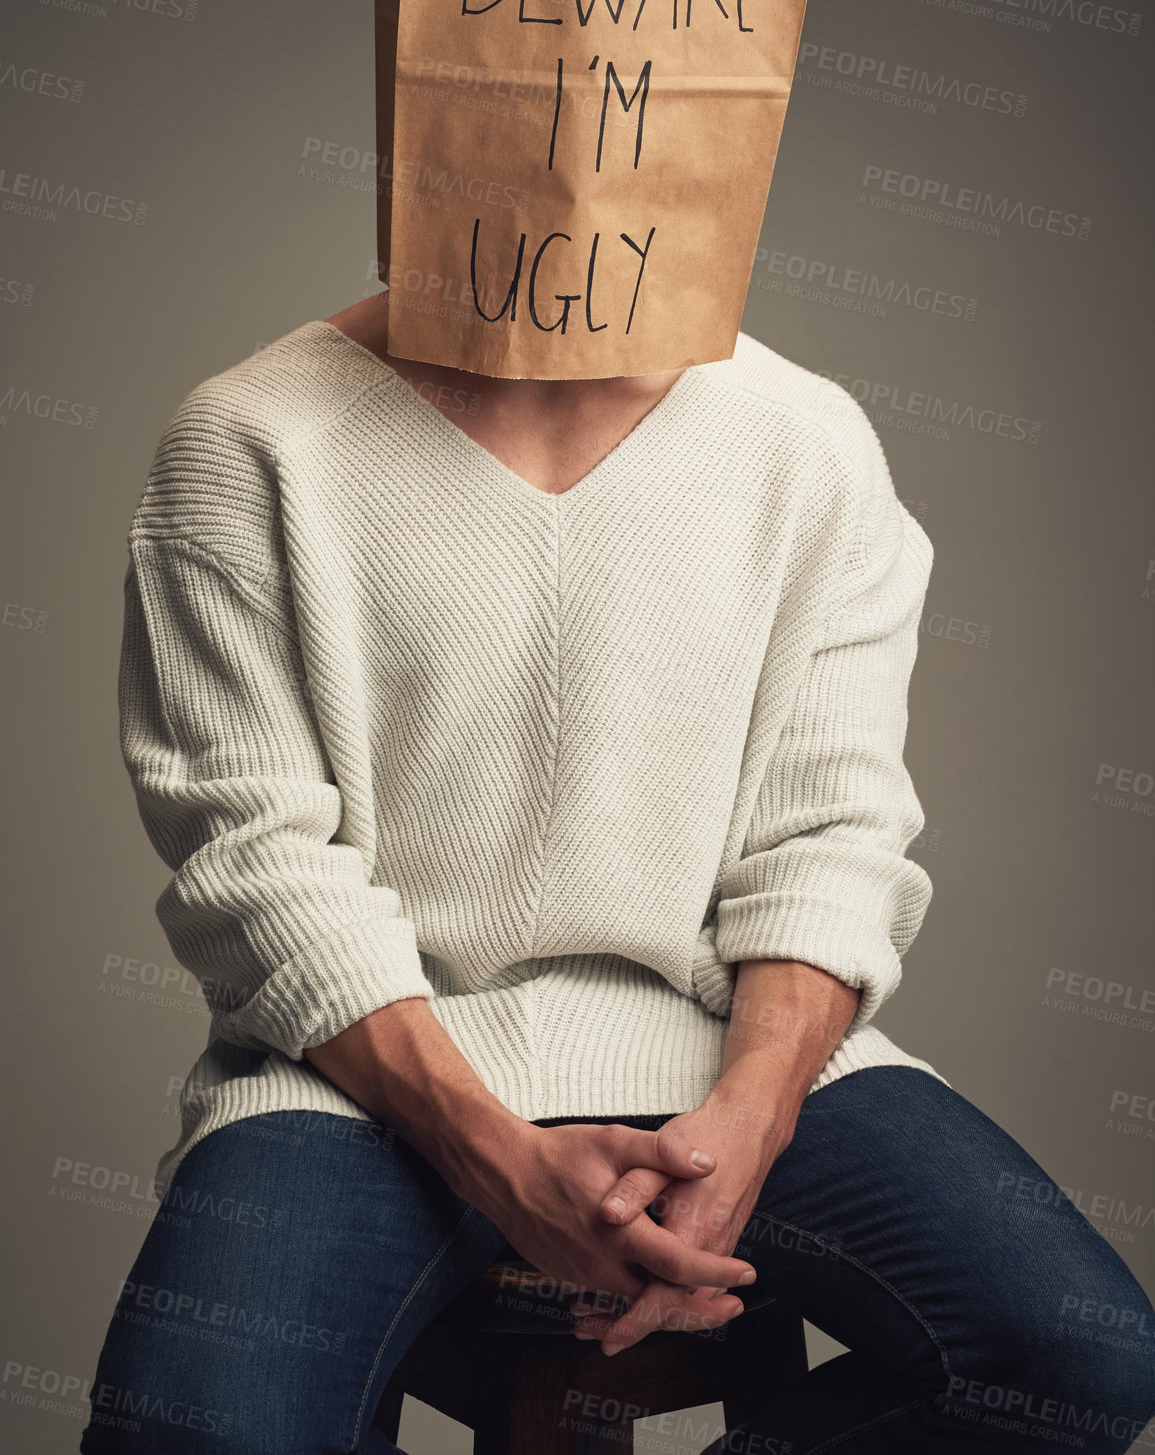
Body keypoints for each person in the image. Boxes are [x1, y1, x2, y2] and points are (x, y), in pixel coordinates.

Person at [81, 292, 1155, 1454]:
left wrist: (747, 1123)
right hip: (360, 1069)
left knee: (1079, 1358)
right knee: (186, 1433)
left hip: (716, 1037)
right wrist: (497, 1159)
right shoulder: (250, 435)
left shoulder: (807, 438)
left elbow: (830, 839)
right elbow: (255, 859)